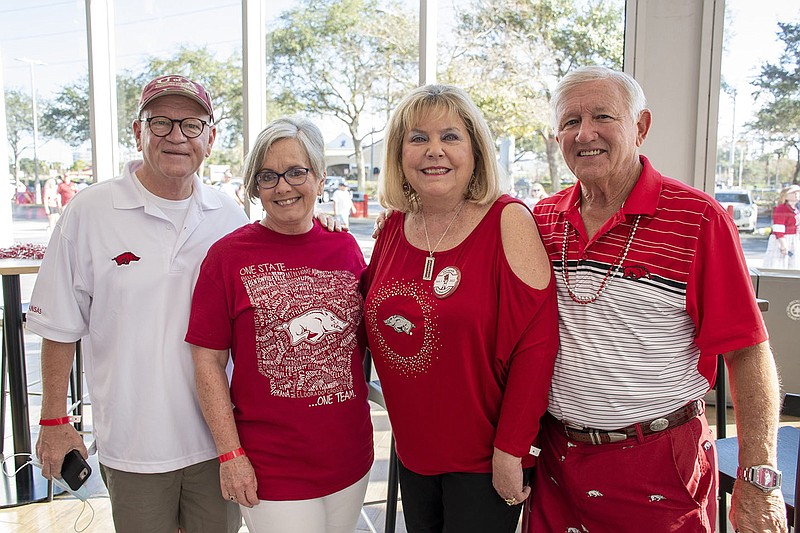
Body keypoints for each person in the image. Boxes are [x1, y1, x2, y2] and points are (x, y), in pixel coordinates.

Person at [527, 66, 786, 532]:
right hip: (557, 465)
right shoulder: (541, 219)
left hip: (659, 466)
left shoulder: (699, 220)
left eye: (602, 116)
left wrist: (757, 479)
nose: (585, 133)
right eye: (569, 122)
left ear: (640, 127)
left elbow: (747, 353)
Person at [27, 74, 248, 533]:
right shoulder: (89, 212)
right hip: (133, 445)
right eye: (161, 122)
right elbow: (60, 326)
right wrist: (53, 418)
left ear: (211, 137)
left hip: (220, 442)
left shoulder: (229, 215)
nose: (176, 136)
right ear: (138, 131)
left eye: (191, 125)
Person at [363, 84, 559, 533]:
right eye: (418, 138)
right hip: (413, 452)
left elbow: (538, 343)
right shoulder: (393, 227)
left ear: (475, 149)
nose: (434, 151)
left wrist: (512, 451)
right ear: (399, 154)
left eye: (450, 136)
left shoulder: (507, 219)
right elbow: (362, 312)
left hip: (485, 460)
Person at [186, 116, 373, 533]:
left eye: (296, 172)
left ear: (320, 179)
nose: (283, 187)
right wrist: (230, 455)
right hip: (271, 462)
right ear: (255, 187)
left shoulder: (344, 246)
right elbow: (207, 363)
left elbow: (364, 335)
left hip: (350, 454)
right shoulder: (227, 257)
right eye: (268, 176)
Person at [763, 184, 799, 269]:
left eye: (798, 192)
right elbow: (778, 229)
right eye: (794, 192)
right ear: (786, 195)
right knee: (779, 265)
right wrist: (783, 245)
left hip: (794, 239)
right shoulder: (781, 209)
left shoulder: (796, 209)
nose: (797, 194)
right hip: (783, 240)